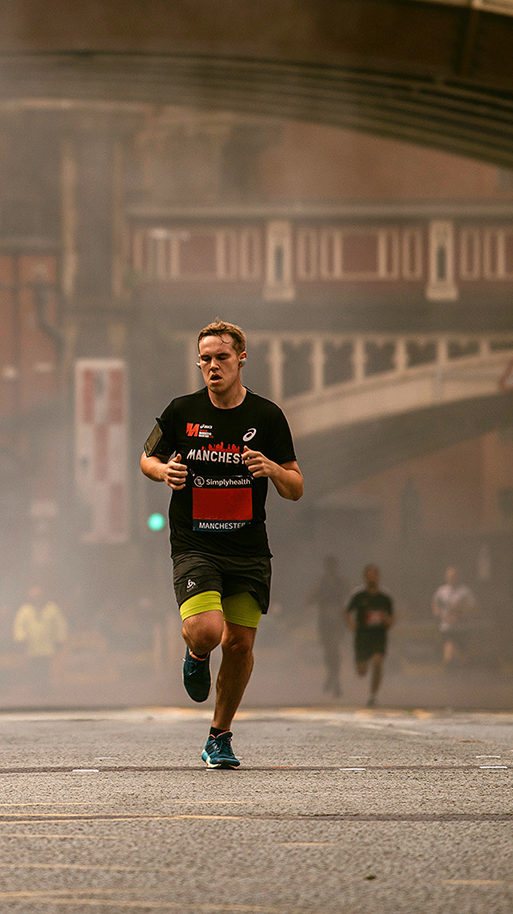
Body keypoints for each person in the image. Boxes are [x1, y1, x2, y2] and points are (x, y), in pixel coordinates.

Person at [139, 318, 303, 769]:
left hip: (248, 550)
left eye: (222, 357)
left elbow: (296, 486)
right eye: (205, 359)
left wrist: (271, 468)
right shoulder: (180, 411)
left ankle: (219, 736)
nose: (213, 365)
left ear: (241, 360)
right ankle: (195, 653)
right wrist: (162, 472)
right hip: (195, 545)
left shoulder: (267, 417)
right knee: (210, 632)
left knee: (239, 646)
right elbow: (146, 457)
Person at [345, 564, 393, 706]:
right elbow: (347, 611)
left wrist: (389, 622)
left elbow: (391, 615)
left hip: (378, 636)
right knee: (362, 671)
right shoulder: (358, 596)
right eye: (369, 575)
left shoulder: (384, 597)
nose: (371, 578)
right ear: (365, 577)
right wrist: (351, 624)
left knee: (378, 662)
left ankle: (373, 695)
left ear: (378, 577)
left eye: (374, 575)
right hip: (362, 636)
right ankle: (361, 665)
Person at [12, 586, 68, 693]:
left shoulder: (52, 608)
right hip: (31, 646)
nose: (37, 598)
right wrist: (21, 639)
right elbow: (19, 625)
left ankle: (44, 686)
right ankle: (35, 686)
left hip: (48, 645)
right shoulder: (25, 610)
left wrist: (60, 638)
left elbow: (60, 624)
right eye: (34, 596)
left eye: (39, 596)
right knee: (33, 666)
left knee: (45, 666)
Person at [307, 556, 347, 699]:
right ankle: (332, 676)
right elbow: (310, 600)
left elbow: (349, 600)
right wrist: (320, 596)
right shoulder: (320, 583)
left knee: (334, 648)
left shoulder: (341, 582)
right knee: (328, 651)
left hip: (337, 620)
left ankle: (335, 681)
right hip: (325, 620)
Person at [431, 566, 477, 667]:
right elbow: (435, 603)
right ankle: (449, 669)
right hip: (447, 627)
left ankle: (463, 662)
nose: (452, 578)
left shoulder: (465, 591)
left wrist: (460, 607)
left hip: (462, 627)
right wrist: (438, 612)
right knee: (449, 648)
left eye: (454, 576)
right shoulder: (441, 591)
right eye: (450, 576)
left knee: (460, 652)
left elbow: (474, 608)